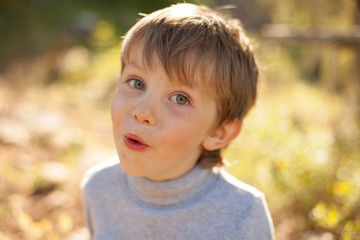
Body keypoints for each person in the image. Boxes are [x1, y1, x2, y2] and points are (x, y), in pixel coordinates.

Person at [81, 3, 274, 240]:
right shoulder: (98, 188)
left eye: (180, 99)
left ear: (219, 132)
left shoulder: (244, 214)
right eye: (137, 83)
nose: (142, 113)